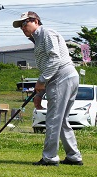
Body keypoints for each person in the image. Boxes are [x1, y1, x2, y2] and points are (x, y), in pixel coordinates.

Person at [12, 11, 83, 166]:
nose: (23, 28)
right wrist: (40, 93)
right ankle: (73, 156)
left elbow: (55, 58)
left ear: (36, 21)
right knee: (61, 119)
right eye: (21, 26)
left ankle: (49, 158)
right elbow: (47, 65)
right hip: (65, 77)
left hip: (62, 76)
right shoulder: (38, 39)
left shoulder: (46, 33)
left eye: (25, 23)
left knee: (53, 119)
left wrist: (41, 81)